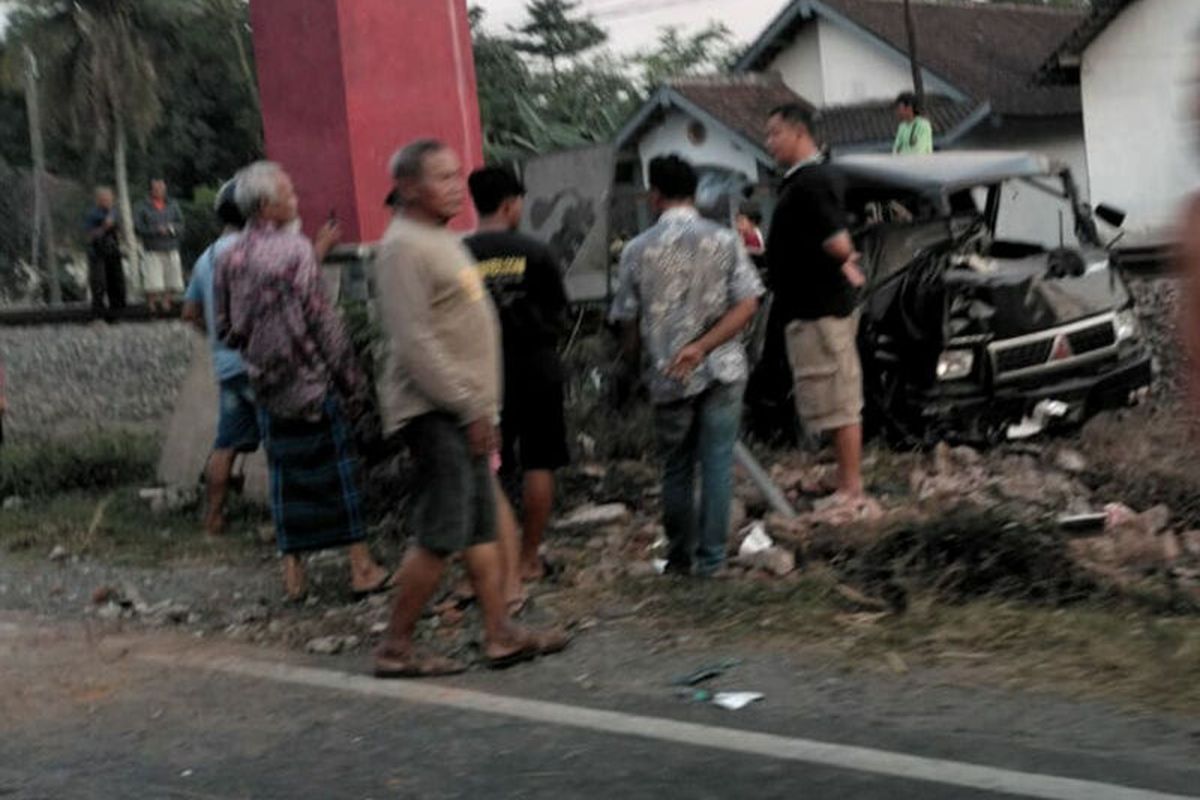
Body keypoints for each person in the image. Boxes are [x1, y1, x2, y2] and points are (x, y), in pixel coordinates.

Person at [372, 139, 568, 677]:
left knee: (481, 526)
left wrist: (485, 410)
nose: (457, 185)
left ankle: (500, 634)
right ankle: (395, 647)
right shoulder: (403, 248)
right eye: (443, 177)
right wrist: (467, 405)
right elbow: (414, 344)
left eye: (458, 175)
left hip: (465, 409)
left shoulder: (442, 240)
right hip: (434, 410)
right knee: (442, 531)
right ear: (409, 188)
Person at [213, 161, 388, 602]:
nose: (296, 199)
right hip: (311, 382)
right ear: (268, 206)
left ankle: (294, 577)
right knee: (337, 478)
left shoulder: (227, 256)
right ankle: (361, 567)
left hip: (266, 389)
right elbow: (324, 324)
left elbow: (227, 327)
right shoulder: (296, 252)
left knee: (286, 481)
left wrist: (260, 344)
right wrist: (353, 382)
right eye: (289, 193)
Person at [610, 155, 763, 577]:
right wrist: (705, 345)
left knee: (676, 467)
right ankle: (711, 562)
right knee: (716, 463)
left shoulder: (636, 251)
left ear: (654, 196)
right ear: (694, 194)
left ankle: (679, 559)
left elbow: (626, 319)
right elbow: (749, 303)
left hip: (668, 374)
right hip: (725, 369)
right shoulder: (724, 239)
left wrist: (632, 367)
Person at [464, 166, 570, 601]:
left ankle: (494, 562)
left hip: (484, 374)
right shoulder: (537, 251)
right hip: (538, 368)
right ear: (510, 204)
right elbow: (559, 314)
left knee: (490, 469)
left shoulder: (459, 255)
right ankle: (527, 558)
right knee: (539, 462)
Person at [764, 104, 867, 505]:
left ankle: (850, 488)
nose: (769, 143)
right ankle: (842, 478)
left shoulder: (812, 181)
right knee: (825, 399)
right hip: (807, 309)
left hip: (822, 310)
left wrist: (846, 259)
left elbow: (837, 240)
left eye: (775, 133)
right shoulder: (800, 181)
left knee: (840, 401)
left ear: (798, 132)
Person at [135, 178, 185, 312]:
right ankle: (151, 303)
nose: (159, 191)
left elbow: (181, 224)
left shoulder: (173, 204)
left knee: (172, 276)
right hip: (152, 247)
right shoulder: (142, 206)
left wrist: (170, 229)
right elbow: (138, 227)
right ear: (151, 190)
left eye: (162, 188)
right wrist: (155, 230)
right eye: (156, 189)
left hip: (171, 245)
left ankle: (166, 301)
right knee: (153, 278)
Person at [84, 187, 127, 320]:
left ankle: (117, 313)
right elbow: (89, 236)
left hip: (113, 251)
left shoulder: (114, 213)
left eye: (109, 199)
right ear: (98, 200)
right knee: (99, 284)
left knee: (117, 283)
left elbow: (120, 231)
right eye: (104, 199)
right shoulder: (92, 215)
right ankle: (98, 314)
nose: (107, 202)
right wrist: (104, 227)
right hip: (97, 253)